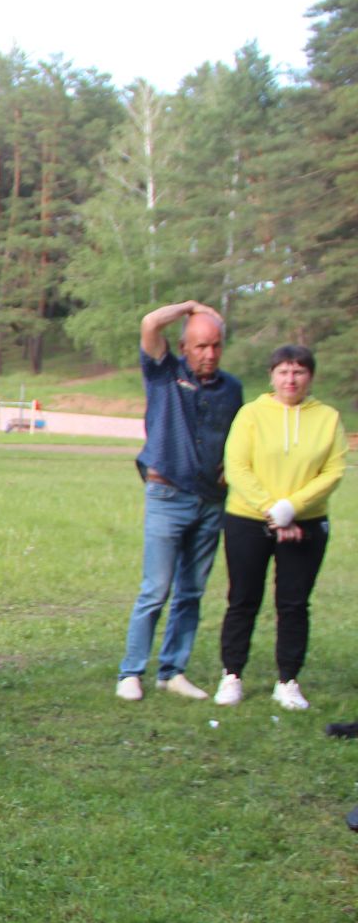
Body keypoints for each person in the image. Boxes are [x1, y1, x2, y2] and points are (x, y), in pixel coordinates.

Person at [115, 301, 243, 702]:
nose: (209, 354)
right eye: (201, 345)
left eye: (216, 346)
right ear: (184, 347)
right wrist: (189, 306)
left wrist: (232, 467)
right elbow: (150, 322)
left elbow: (239, 436)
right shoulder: (164, 372)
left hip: (211, 501)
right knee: (156, 589)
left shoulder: (232, 388)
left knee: (191, 592)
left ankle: (173, 670)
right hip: (167, 495)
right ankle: (131, 672)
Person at [213, 345, 345, 710]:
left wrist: (293, 507)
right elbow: (237, 466)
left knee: (294, 603)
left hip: (307, 522)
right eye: (284, 371)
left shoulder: (328, 418)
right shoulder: (251, 414)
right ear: (272, 375)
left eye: (299, 372)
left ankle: (287, 680)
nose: (291, 379)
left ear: (310, 377)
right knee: (243, 599)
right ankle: (232, 674)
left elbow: (333, 471)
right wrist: (272, 510)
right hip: (248, 519)